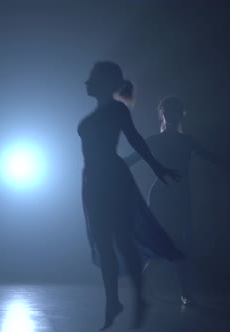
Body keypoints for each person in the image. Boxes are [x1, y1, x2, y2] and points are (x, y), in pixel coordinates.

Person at [78, 61, 182, 329]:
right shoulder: (104, 111)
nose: (86, 82)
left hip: (112, 179)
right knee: (103, 242)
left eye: (92, 78)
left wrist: (157, 167)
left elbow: (136, 139)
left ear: (104, 83)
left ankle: (138, 298)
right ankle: (112, 301)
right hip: (93, 180)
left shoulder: (116, 109)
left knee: (122, 239)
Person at [124, 96, 230, 305]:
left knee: (178, 244)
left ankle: (164, 286)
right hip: (161, 197)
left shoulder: (188, 141)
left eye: (175, 111)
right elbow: (130, 160)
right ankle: (183, 292)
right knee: (172, 244)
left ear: (180, 115)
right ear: (162, 115)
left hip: (182, 197)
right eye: (167, 111)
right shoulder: (154, 141)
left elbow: (211, 158)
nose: (171, 115)